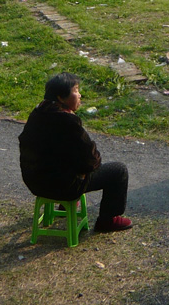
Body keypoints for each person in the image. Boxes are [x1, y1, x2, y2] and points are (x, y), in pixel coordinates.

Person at [18, 73, 132, 233]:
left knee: (60, 160)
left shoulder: (38, 113)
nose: (80, 95)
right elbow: (91, 161)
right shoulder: (68, 122)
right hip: (62, 186)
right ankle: (108, 220)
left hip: (35, 182)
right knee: (118, 171)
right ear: (61, 97)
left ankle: (65, 206)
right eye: (76, 90)